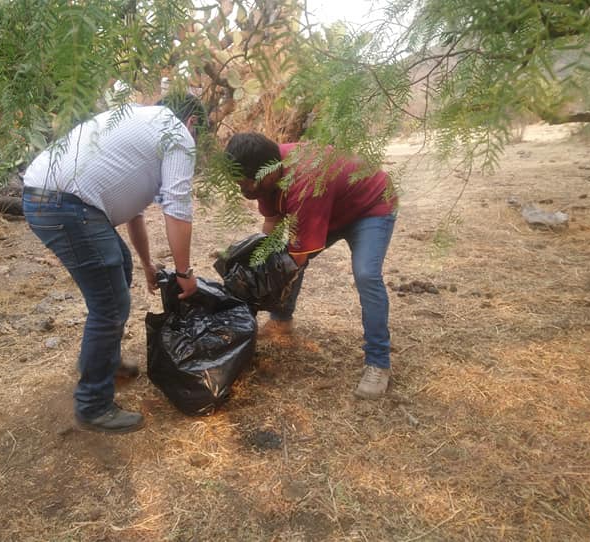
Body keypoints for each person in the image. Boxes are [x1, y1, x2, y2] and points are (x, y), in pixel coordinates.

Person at [22, 94, 207, 433]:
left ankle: (104, 362)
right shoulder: (175, 134)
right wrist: (185, 274)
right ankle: (93, 404)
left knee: (118, 267)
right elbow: (178, 210)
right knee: (109, 304)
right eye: (197, 137)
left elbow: (134, 211)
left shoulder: (136, 120)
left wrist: (147, 263)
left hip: (48, 197)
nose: (193, 143)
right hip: (65, 204)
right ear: (192, 123)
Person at [224, 132, 398, 400]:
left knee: (366, 274)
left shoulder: (305, 180)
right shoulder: (263, 168)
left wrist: (266, 279)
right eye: (239, 184)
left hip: (370, 205)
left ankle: (378, 362)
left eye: (247, 185)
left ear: (267, 174)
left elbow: (297, 258)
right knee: (279, 258)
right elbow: (271, 226)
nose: (243, 190)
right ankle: (281, 321)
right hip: (332, 206)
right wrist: (256, 263)